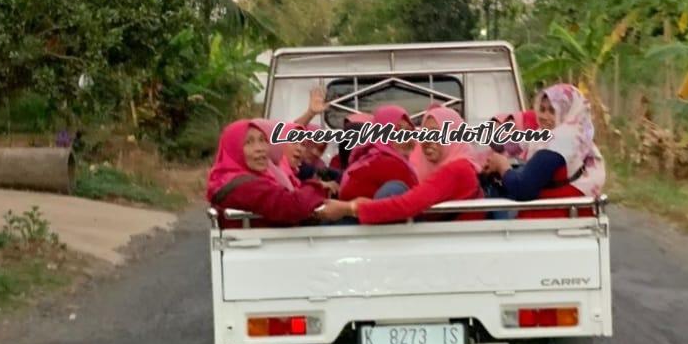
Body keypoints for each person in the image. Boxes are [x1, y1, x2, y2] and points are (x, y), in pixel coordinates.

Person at [322, 107, 484, 224]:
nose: (427, 140)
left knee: (394, 189)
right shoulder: (427, 167)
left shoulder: (458, 170)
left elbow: (407, 204)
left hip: (454, 248)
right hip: (445, 245)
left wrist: (350, 208)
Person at [484, 84, 605, 219]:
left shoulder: (559, 142)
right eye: (542, 109)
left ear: (567, 112)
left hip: (551, 217)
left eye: (552, 111)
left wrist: (502, 166)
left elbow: (523, 189)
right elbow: (517, 143)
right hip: (568, 212)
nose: (544, 116)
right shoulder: (576, 134)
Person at [205, 119, 329, 227]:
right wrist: (318, 187)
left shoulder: (248, 178)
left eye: (263, 140)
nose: (260, 148)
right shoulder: (243, 186)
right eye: (248, 142)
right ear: (234, 150)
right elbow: (292, 206)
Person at [338, 105, 419, 201]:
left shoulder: (366, 157)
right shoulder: (391, 164)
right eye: (397, 130)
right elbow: (418, 200)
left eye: (409, 130)